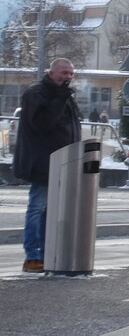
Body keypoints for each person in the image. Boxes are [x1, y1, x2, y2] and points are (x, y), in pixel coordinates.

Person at [12, 58, 82, 273]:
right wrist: (60, 99)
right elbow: (43, 124)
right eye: (63, 72)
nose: (67, 77)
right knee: (37, 208)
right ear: (51, 72)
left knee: (49, 212)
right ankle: (33, 256)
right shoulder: (37, 93)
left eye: (71, 73)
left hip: (62, 162)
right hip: (42, 162)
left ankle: (46, 253)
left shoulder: (63, 95)